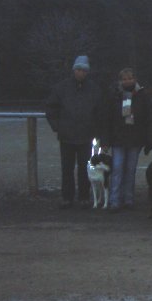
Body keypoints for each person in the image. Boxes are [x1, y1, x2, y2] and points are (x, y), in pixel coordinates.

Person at [45, 55, 105, 209]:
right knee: (67, 169)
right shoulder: (61, 88)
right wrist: (58, 126)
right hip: (67, 136)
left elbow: (100, 113)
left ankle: (84, 196)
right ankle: (67, 197)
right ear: (74, 70)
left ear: (87, 72)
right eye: (78, 69)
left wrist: (96, 131)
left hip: (86, 136)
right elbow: (51, 108)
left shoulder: (95, 89)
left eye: (84, 70)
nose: (81, 73)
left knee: (86, 169)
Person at [104, 68, 152, 212]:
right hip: (118, 138)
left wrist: (150, 139)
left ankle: (128, 199)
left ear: (134, 79)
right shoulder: (114, 96)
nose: (127, 81)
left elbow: (149, 119)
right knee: (117, 169)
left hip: (135, 138)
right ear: (120, 81)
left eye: (130, 78)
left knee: (130, 170)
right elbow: (107, 118)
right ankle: (114, 200)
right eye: (124, 79)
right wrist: (106, 140)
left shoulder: (143, 96)